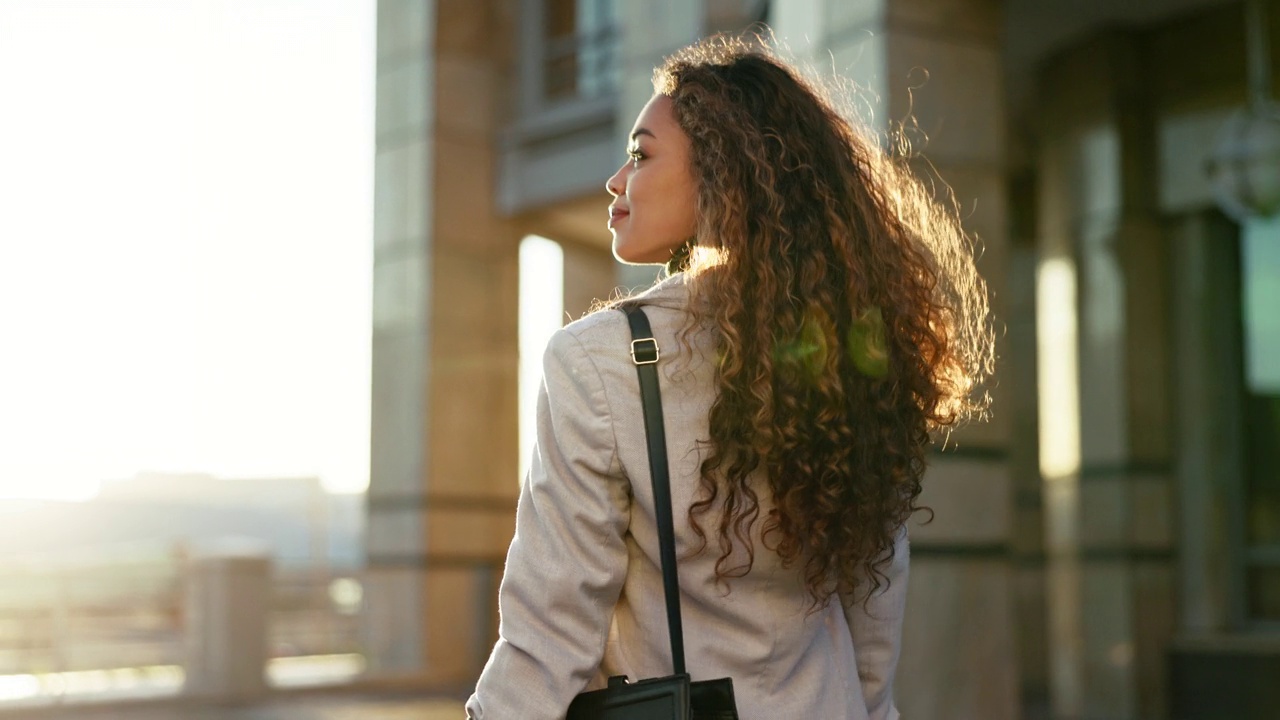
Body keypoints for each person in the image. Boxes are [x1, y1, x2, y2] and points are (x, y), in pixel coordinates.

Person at [466, 34, 994, 720]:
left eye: (640, 154)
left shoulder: (602, 361)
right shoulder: (860, 357)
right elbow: (873, 620)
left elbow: (551, 628)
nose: (615, 180)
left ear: (722, 173)